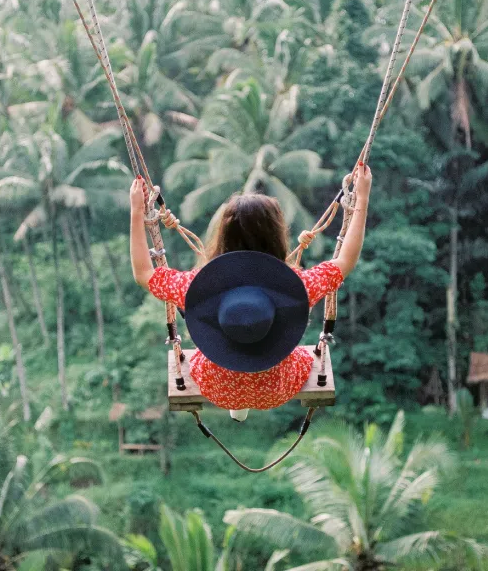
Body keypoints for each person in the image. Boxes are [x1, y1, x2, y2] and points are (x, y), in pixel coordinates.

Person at [130, 163, 372, 421]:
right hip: (276, 391)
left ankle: (237, 394)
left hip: (217, 388)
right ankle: (246, 382)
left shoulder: (196, 285)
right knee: (304, 354)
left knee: (208, 350)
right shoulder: (297, 286)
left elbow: (143, 273)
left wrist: (136, 211)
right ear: (277, 235)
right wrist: (363, 198)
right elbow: (345, 261)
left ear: (222, 234)